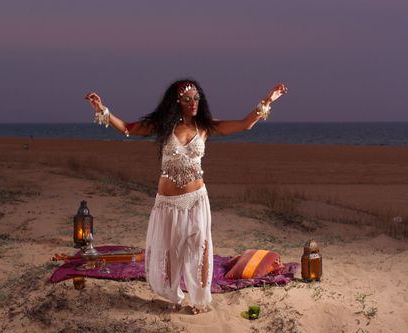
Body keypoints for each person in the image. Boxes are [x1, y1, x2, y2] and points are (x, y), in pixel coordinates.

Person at [85, 79, 287, 314]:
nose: (193, 103)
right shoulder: (163, 127)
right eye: (187, 99)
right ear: (177, 102)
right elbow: (128, 128)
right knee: (171, 249)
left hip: (196, 200)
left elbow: (245, 124)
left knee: (199, 247)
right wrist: (103, 110)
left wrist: (267, 100)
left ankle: (200, 300)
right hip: (168, 203)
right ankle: (172, 295)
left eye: (196, 98)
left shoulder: (205, 127)